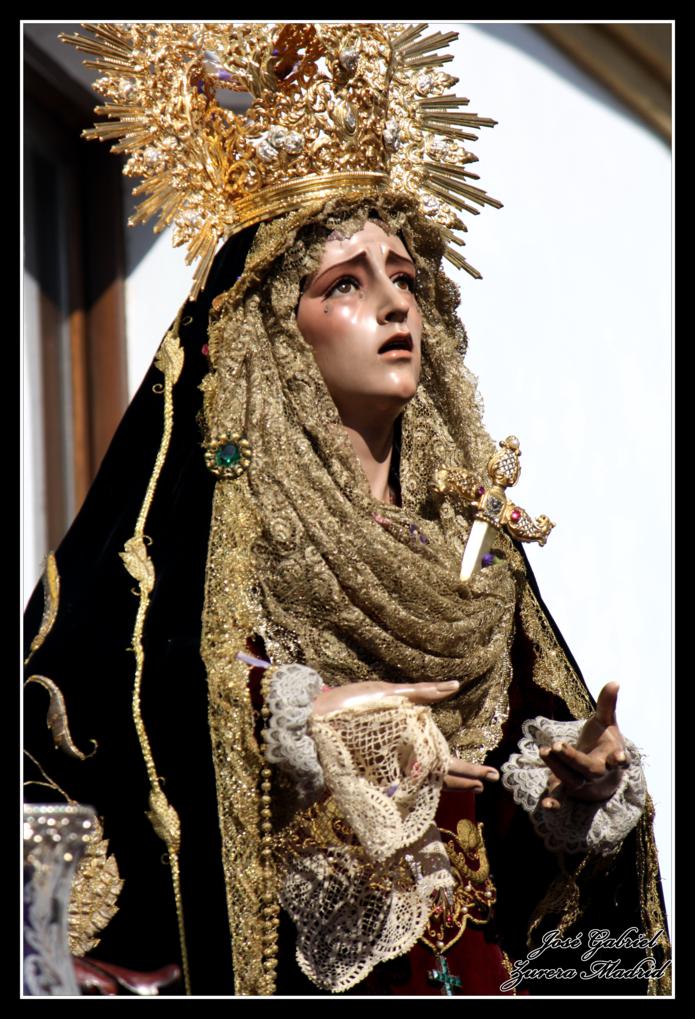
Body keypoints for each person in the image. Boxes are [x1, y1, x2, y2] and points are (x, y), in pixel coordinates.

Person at [23, 22, 670, 997]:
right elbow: (83, 713)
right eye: (345, 284)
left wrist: (574, 790)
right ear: (271, 336)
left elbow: (519, 856)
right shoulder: (205, 553)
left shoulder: (471, 556)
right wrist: (285, 720)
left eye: (403, 278)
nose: (394, 305)